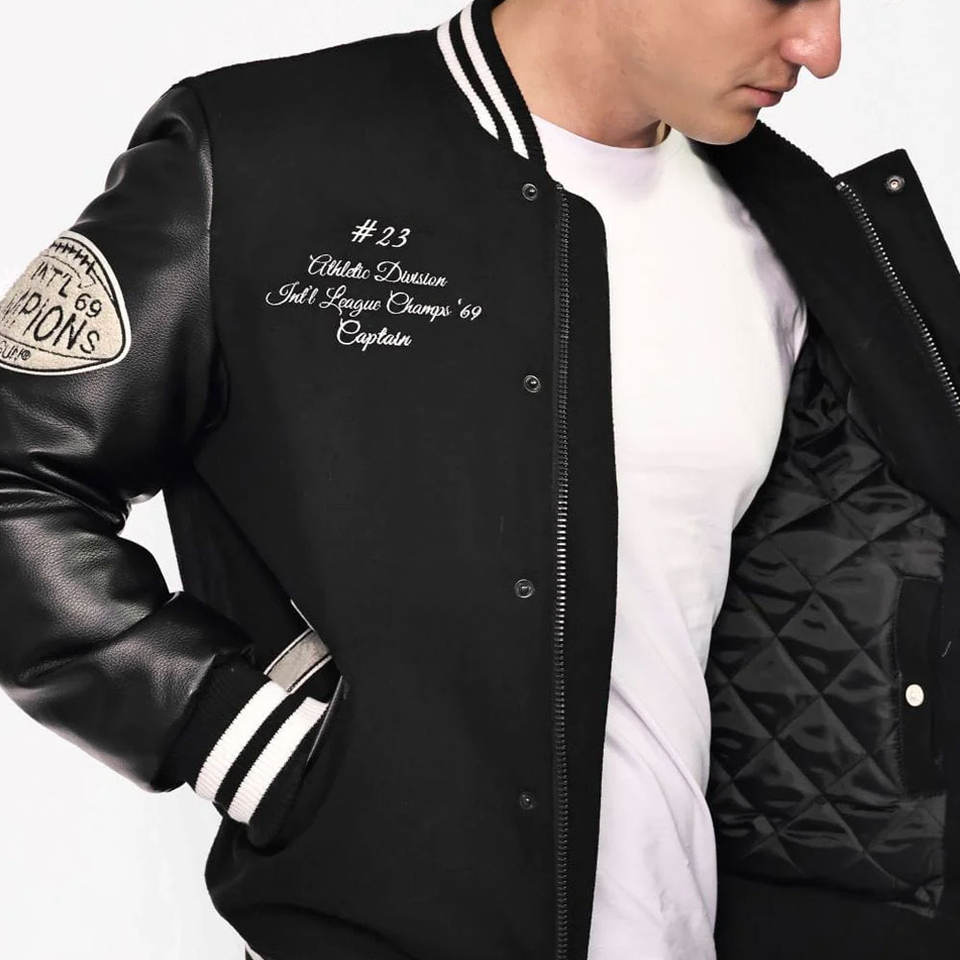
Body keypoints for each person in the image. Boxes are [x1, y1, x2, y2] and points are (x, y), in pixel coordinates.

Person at [2, 1, 960, 958]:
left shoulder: (794, 232)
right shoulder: (261, 159)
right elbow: (20, 476)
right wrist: (244, 740)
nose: (822, 49)